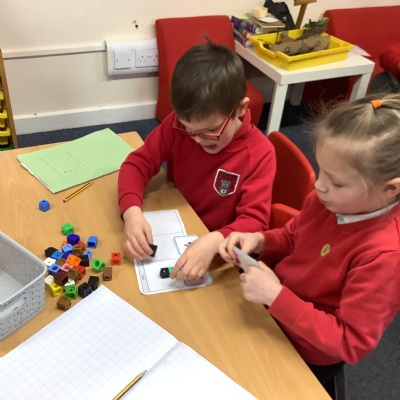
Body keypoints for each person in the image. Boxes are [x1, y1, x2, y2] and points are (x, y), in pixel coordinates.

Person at [219, 93, 400, 398]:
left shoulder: (385, 255)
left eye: (336, 182)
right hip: (271, 313)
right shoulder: (327, 200)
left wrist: (276, 296)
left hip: (306, 352)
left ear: (390, 189)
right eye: (321, 170)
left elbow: (350, 342)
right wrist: (260, 241)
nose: (318, 185)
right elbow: (293, 237)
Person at [118, 39, 276, 281]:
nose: (198, 139)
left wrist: (215, 239)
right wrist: (132, 213)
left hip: (219, 253)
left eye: (210, 131)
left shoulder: (260, 153)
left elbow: (254, 222)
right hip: (179, 226)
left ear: (241, 108)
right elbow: (137, 164)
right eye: (189, 129)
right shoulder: (176, 125)